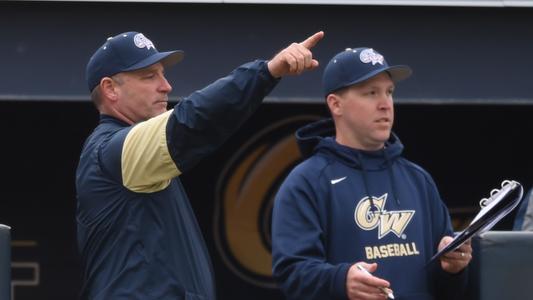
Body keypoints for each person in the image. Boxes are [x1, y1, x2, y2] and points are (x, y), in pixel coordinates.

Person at [76, 30, 324, 299]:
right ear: (110, 89)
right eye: (149, 76)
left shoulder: (128, 151)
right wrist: (266, 72)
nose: (166, 86)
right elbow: (191, 120)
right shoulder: (112, 151)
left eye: (162, 73)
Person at [271, 47, 472, 300]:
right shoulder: (307, 181)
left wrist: (453, 269)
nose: (385, 104)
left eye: (389, 92)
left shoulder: (418, 179)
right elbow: (291, 274)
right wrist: (341, 281)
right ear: (336, 104)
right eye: (371, 93)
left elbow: (447, 290)